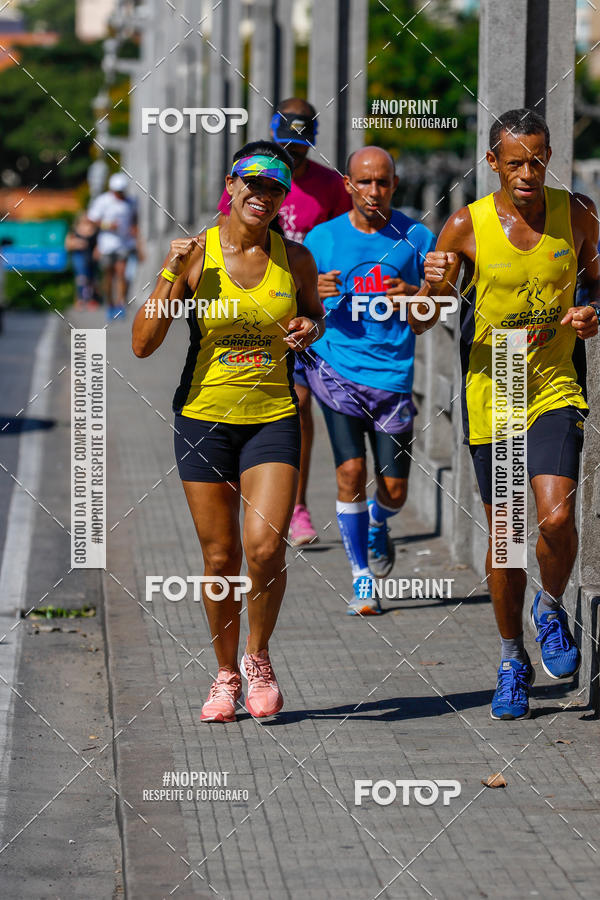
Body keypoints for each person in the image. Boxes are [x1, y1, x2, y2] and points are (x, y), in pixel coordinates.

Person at [132, 141, 324, 723]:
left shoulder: (295, 258)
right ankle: (224, 674)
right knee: (220, 558)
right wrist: (170, 273)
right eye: (253, 184)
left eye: (275, 189)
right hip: (204, 418)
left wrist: (307, 326)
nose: (262, 196)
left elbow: (315, 313)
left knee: (265, 549)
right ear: (231, 184)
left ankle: (258, 658)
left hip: (271, 415)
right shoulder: (195, 255)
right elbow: (143, 344)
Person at [420, 108, 600, 720]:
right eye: (515, 161)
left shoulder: (575, 213)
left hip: (552, 384)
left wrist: (588, 313)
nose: (528, 173)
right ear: (492, 162)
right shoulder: (465, 227)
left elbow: (595, 279)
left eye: (538, 160)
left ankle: (550, 607)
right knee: (508, 537)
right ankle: (510, 659)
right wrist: (431, 287)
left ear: (550, 159)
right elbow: (427, 317)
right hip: (493, 390)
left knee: (555, 515)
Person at [302, 146, 435, 615]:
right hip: (336, 371)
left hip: (393, 378)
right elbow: (297, 311)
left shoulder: (417, 237)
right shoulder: (321, 240)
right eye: (364, 181)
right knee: (351, 472)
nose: (373, 191)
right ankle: (361, 577)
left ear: (394, 185)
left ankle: (380, 520)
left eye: (382, 182)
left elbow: (433, 314)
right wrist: (312, 296)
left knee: (394, 490)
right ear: (349, 185)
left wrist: (416, 295)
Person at [218, 98, 352, 548]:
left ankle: (294, 506)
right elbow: (226, 226)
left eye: (300, 147)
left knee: (297, 403)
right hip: (254, 299)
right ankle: (248, 489)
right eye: (286, 145)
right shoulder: (255, 173)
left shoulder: (331, 185)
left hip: (304, 301)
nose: (292, 155)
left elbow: (343, 238)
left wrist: (329, 276)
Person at [88, 172, 139, 321]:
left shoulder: (131, 201)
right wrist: (107, 225)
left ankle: (120, 305)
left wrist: (134, 230)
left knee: (122, 274)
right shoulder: (103, 201)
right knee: (109, 276)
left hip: (124, 244)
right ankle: (110, 304)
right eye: (117, 192)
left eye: (121, 192)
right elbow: (91, 219)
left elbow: (135, 217)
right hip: (107, 244)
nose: (120, 194)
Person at [65, 213, 98, 310]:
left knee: (92, 279)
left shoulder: (94, 230)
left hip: (91, 257)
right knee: (81, 278)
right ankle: (80, 299)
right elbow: (67, 245)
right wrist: (78, 243)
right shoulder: (74, 230)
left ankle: (90, 299)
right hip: (79, 256)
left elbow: (98, 243)